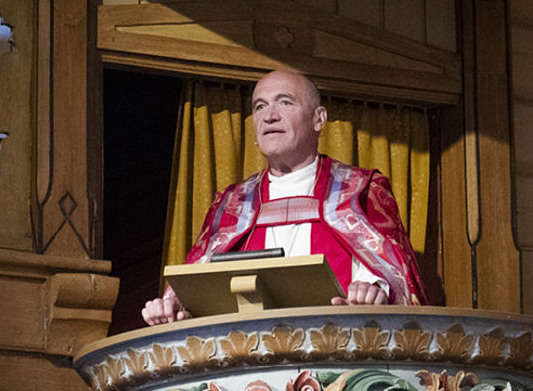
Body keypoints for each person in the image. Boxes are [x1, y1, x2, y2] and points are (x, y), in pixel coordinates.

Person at [142, 69, 427, 325]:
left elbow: (394, 278)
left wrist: (374, 291)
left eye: (285, 102)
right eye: (260, 106)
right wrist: (172, 306)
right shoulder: (231, 204)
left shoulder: (361, 190)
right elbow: (197, 286)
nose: (269, 115)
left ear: (319, 119)